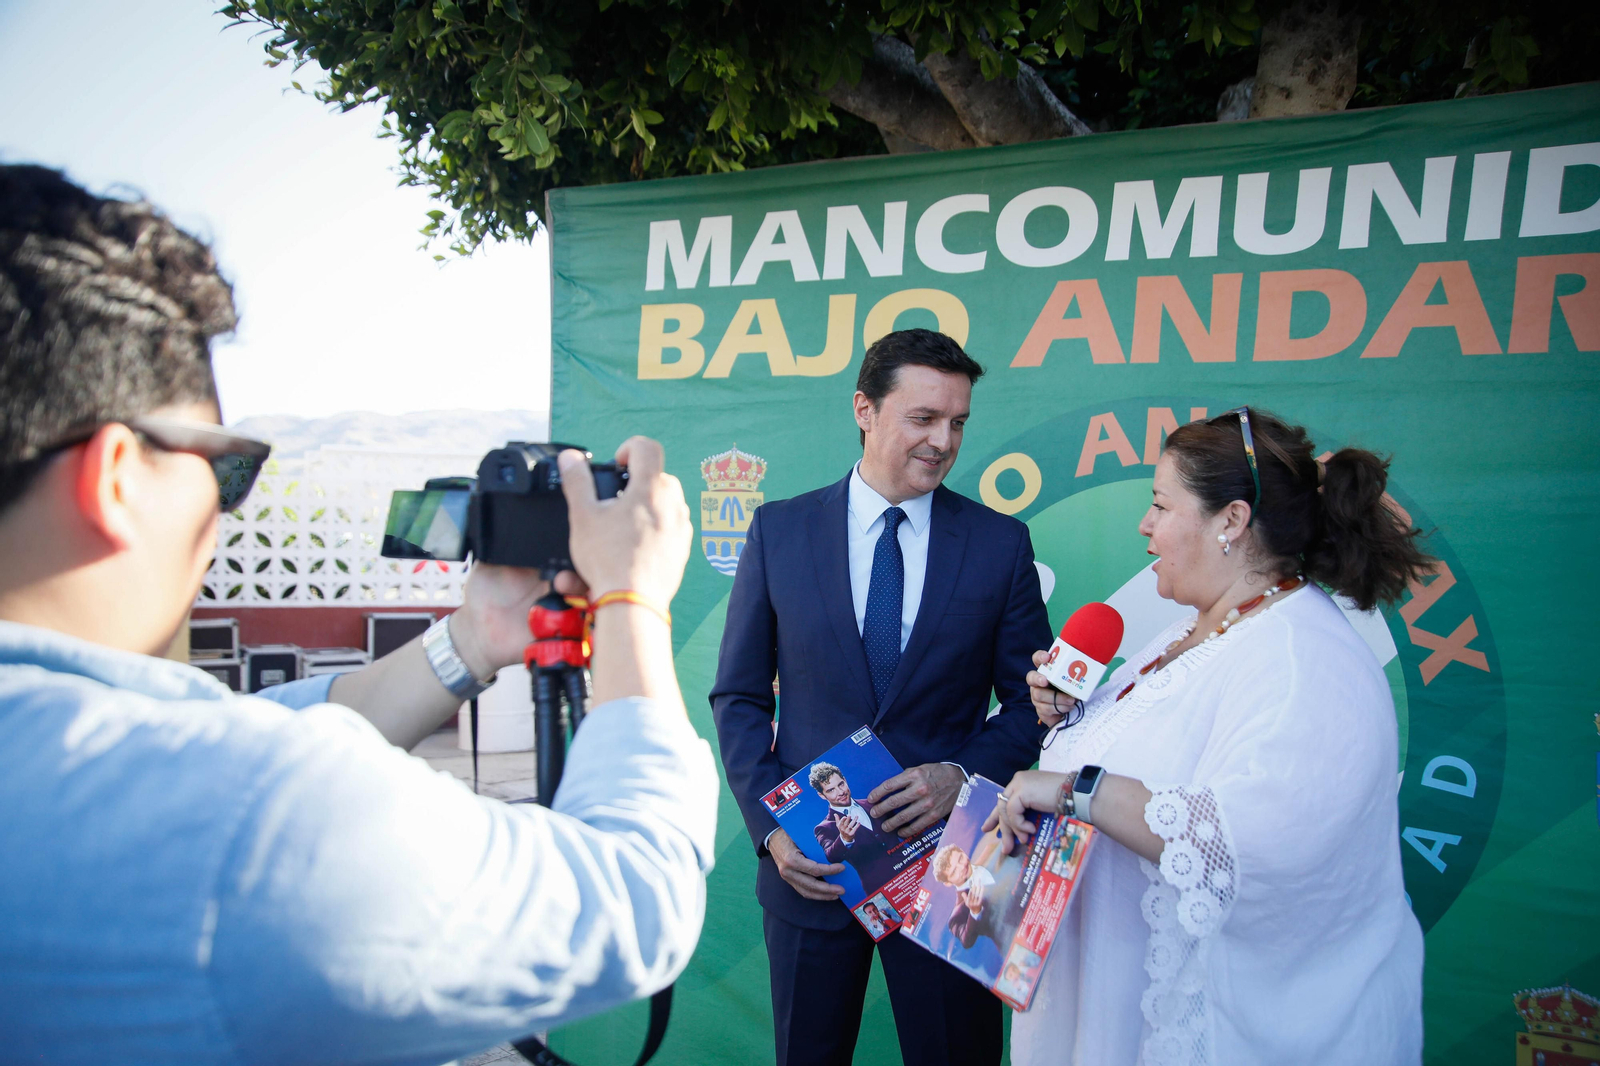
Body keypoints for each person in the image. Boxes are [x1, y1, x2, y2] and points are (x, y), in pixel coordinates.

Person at [0, 165, 716, 1065]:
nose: (222, 516)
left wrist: (475, 640)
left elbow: (263, 728)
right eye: (225, 468)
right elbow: (632, 900)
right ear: (116, 479)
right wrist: (632, 600)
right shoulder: (246, 818)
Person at [988, 407, 1430, 1066]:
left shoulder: (1303, 657)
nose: (1146, 524)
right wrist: (1068, 727)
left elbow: (1248, 842)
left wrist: (1071, 786)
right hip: (1100, 1014)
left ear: (1231, 520)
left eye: (1161, 505)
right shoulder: (1192, 632)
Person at [711, 328, 1052, 1066]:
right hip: (812, 871)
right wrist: (775, 831)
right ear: (864, 408)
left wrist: (956, 777)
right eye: (923, 418)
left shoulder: (1000, 544)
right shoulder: (779, 530)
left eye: (958, 422)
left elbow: (1032, 707)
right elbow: (738, 698)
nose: (943, 440)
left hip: (954, 867)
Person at [810, 761, 899, 887]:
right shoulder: (824, 827)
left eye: (841, 784)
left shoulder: (872, 803)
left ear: (845, 780)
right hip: (881, 887)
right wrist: (844, 839)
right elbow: (832, 856)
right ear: (822, 795)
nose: (840, 792)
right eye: (831, 790)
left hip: (917, 869)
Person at [931, 832, 1025, 951]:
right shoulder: (958, 912)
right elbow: (966, 941)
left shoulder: (988, 849)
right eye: (954, 872)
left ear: (963, 852)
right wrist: (974, 911)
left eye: (960, 859)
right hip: (1020, 936)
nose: (962, 867)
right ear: (948, 883)